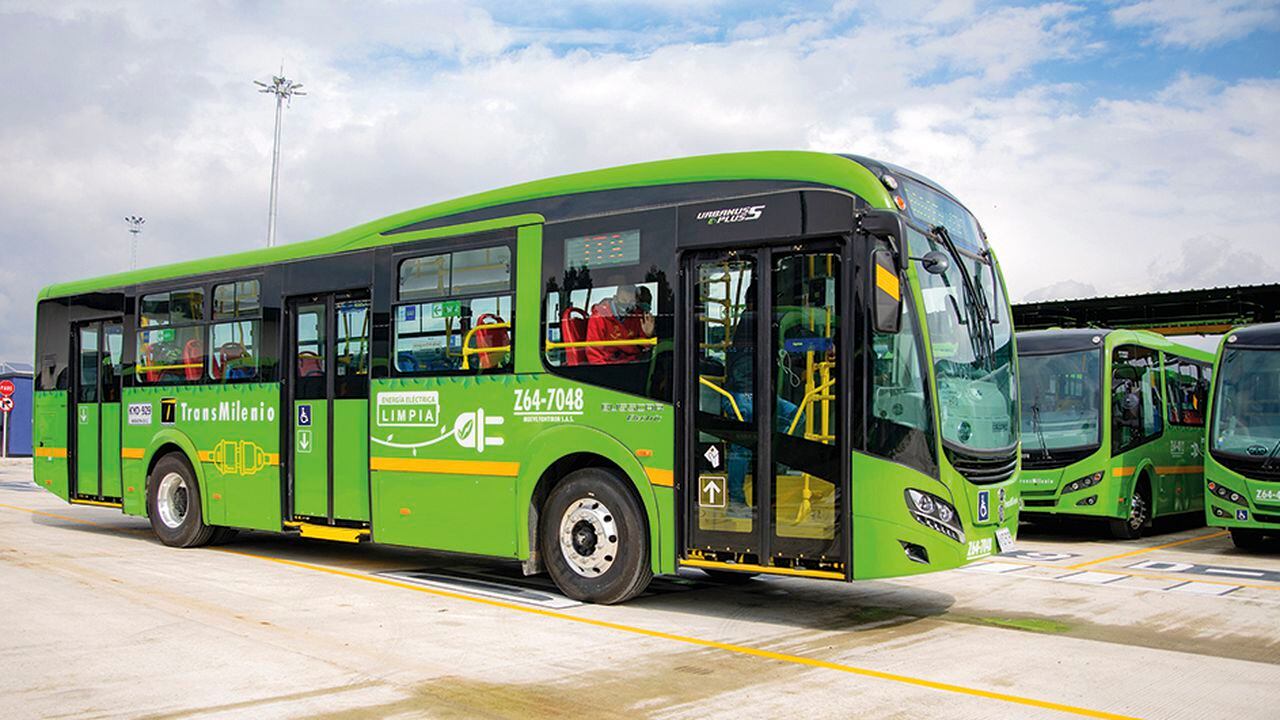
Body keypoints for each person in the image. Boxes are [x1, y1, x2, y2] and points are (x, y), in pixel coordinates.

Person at [584, 284, 655, 364]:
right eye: (624, 302)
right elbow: (595, 355)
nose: (627, 307)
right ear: (615, 298)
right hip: (611, 367)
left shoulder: (636, 316)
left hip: (634, 363)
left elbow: (643, 347)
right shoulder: (599, 317)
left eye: (631, 303)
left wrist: (648, 335)